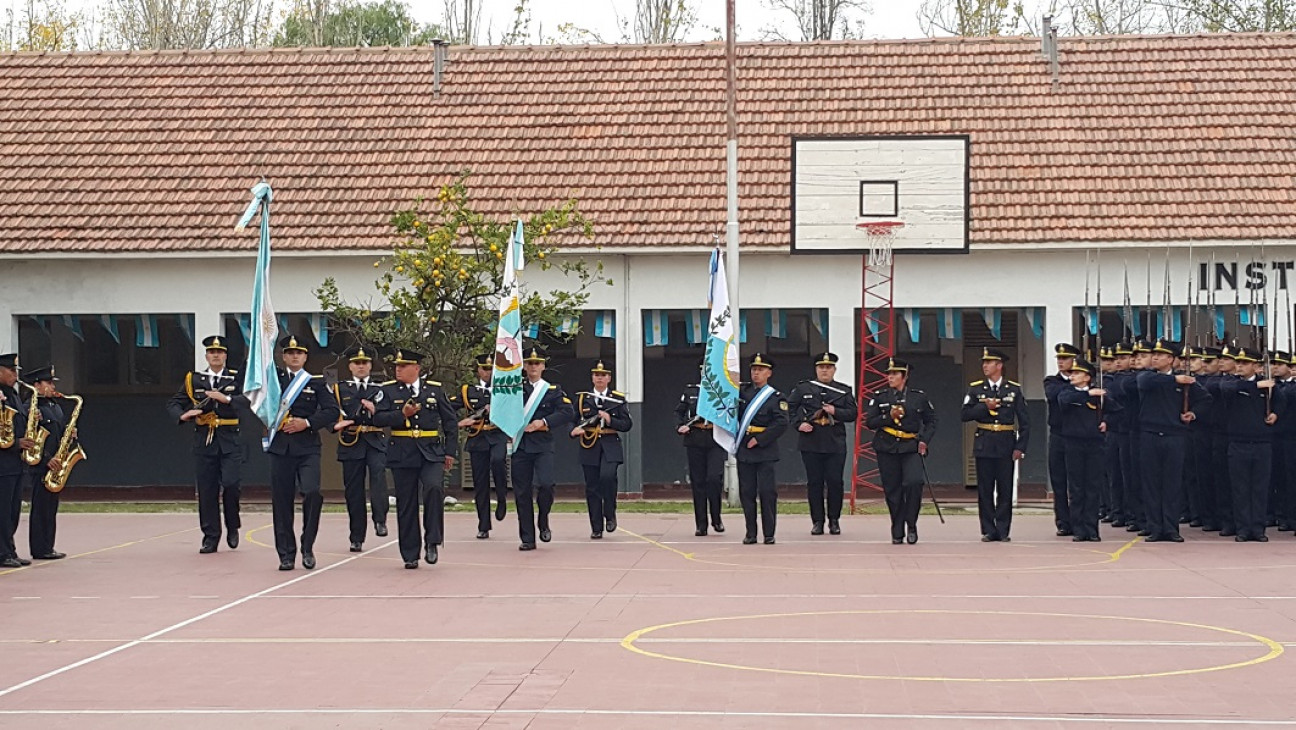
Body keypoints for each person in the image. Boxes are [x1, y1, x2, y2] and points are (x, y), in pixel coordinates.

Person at [372, 348, 458, 569]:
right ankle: (410, 552)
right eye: (397, 366)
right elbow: (379, 419)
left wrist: (450, 452)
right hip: (402, 451)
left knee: (433, 489)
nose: (398, 370)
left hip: (431, 451)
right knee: (407, 501)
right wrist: (401, 414)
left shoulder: (435, 390)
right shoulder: (388, 391)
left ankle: (432, 540)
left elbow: (450, 423)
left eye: (403, 366)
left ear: (416, 369)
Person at [266, 334, 339, 571]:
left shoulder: (315, 383)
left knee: (312, 492)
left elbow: (331, 411)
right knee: (282, 502)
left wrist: (306, 422)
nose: (294, 356)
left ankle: (307, 546)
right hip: (281, 449)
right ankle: (286, 554)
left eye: (299, 353)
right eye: (289, 352)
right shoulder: (273, 381)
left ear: (305, 356)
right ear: (283, 356)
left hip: (307, 447)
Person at [166, 335, 244, 554]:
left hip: (230, 439)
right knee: (207, 491)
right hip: (205, 441)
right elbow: (174, 403)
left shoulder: (236, 378)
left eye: (219, 352)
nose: (215, 355)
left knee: (231, 484)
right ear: (206, 356)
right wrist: (183, 415)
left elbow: (248, 401)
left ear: (225, 355)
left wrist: (226, 399)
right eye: (211, 352)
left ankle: (233, 525)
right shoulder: (194, 379)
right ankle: (210, 536)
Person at [1135, 338, 1210, 543]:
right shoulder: (1148, 376)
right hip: (1150, 435)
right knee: (1151, 483)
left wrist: (1193, 414)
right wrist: (1175, 381)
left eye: (1160, 355)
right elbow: (1144, 382)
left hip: (1175, 436)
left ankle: (1170, 527)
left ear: (1171, 359)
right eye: (1154, 355)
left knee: (1172, 484)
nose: (1155, 358)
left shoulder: (1184, 381)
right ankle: (1154, 527)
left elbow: (1205, 399)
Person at [864, 358, 937, 544]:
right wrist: (888, 417)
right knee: (892, 489)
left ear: (904, 376)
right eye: (889, 373)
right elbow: (870, 422)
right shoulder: (879, 397)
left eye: (895, 374)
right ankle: (897, 529)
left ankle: (911, 523)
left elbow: (931, 421)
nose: (890, 377)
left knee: (914, 483)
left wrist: (924, 441)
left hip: (910, 446)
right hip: (887, 447)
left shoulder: (918, 397)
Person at [961, 347, 1030, 542]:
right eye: (984, 362)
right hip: (984, 442)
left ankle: (1003, 530)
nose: (985, 365)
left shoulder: (1013, 389)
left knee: (1005, 489)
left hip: (1006, 443)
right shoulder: (975, 388)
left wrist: (1020, 447)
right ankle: (988, 529)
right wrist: (984, 406)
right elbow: (964, 415)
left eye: (989, 362)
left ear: (999, 365)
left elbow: (1025, 422)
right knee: (985, 489)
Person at [511, 346, 574, 551]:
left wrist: (544, 421)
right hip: (520, 445)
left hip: (542, 444)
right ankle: (527, 537)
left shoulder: (551, 391)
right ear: (525, 366)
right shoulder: (515, 388)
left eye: (537, 363)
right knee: (522, 492)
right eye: (529, 363)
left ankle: (543, 519)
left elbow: (567, 412)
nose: (533, 367)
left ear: (543, 366)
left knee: (546, 485)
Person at [788, 352, 858, 536]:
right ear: (816, 369)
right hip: (811, 441)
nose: (824, 370)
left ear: (834, 370)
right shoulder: (804, 389)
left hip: (835, 441)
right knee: (815, 483)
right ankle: (817, 521)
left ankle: (834, 520)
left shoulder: (844, 391)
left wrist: (836, 411)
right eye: (821, 367)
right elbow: (790, 408)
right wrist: (799, 424)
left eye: (828, 367)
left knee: (835, 482)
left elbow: (853, 413)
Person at [331, 346, 390, 552]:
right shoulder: (340, 389)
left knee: (378, 478)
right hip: (351, 442)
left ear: (370, 366)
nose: (361, 366)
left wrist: (377, 410)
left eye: (365, 363)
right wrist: (336, 424)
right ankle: (356, 536)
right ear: (350, 366)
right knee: (354, 492)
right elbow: (331, 412)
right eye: (357, 363)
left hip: (374, 438)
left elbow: (391, 411)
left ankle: (380, 519)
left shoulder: (381, 388)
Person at [1219, 346, 1279, 542]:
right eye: (1238, 363)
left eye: (1244, 363)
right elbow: (1226, 389)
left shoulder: (1269, 386)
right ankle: (1243, 528)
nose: (1240, 366)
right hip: (1238, 443)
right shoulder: (1231, 383)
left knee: (1260, 488)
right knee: (1240, 489)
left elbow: (1282, 403)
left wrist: (1275, 413)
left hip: (1262, 443)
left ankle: (1258, 528)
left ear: (1256, 366)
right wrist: (1256, 387)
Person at [1059, 357, 1121, 542]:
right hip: (1073, 443)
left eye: (1077, 373)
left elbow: (1118, 411)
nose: (1073, 376)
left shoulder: (1099, 396)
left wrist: (1106, 422)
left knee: (1093, 487)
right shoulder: (1068, 392)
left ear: (1087, 377)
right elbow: (1064, 402)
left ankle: (1092, 528)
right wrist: (1088, 395)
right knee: (1077, 488)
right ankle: (1079, 529)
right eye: (1072, 373)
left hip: (1094, 444)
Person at [570, 360, 633, 539]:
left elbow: (627, 424)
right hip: (589, 445)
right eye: (597, 375)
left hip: (610, 444)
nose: (600, 378)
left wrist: (610, 419)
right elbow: (572, 418)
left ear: (609, 378)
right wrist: (573, 430)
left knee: (607, 477)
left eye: (603, 375)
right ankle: (596, 526)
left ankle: (610, 513)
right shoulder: (583, 398)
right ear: (592, 377)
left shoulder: (617, 399)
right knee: (592, 487)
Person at [451, 353, 509, 540]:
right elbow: (449, 407)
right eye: (485, 368)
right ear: (478, 370)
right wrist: (460, 422)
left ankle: (501, 497)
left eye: (491, 369)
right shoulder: (469, 391)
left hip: (497, 434)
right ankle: (483, 524)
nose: (488, 372)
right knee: (480, 483)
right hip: (478, 437)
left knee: (498, 461)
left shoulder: (505, 389)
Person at [736, 353, 789, 545]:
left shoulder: (776, 397)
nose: (756, 373)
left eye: (760, 370)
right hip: (744, 449)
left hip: (765, 451)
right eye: (753, 370)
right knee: (747, 492)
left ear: (769, 373)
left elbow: (781, 423)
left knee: (767, 492)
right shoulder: (741, 393)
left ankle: (769, 533)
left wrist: (759, 439)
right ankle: (751, 532)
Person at [675, 360, 726, 536]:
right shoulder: (691, 391)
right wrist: (681, 426)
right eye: (705, 370)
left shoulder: (722, 391)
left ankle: (716, 517)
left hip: (715, 439)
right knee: (698, 482)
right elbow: (679, 412)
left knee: (714, 479)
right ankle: (701, 524)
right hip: (695, 439)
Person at [23, 367, 69, 560]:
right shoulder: (31, 407)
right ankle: (40, 547)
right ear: (36, 385)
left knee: (51, 507)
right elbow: (31, 437)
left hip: (56, 462)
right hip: (41, 463)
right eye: (48, 383)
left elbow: (59, 433)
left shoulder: (54, 406)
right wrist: (46, 458)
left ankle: (48, 545)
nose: (52, 386)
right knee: (41, 507)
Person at [1043, 343, 1081, 537]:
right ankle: (1063, 522)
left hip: (1076, 436)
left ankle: (1077, 519)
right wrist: (1079, 391)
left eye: (1065, 359)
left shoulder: (1083, 382)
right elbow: (1055, 396)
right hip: (1058, 435)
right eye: (1059, 359)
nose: (1060, 362)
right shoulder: (1052, 381)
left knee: (1077, 481)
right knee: (1059, 482)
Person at [0, 353, 33, 568]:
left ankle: (9, 549)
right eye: (11, 371)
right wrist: (16, 444)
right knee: (2, 511)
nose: (15, 375)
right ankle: (3, 553)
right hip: (2, 465)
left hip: (15, 465)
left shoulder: (12, 395)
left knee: (12, 511)